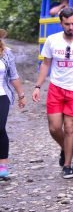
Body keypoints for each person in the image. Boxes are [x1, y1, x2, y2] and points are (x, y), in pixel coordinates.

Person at [32, 7, 73, 179]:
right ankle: (67, 147)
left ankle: (68, 165)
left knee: (69, 128)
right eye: (67, 24)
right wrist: (38, 86)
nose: (71, 27)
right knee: (54, 128)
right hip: (56, 88)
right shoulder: (52, 40)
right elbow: (45, 64)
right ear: (61, 23)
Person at [0, 29, 26, 179]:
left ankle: (2, 165)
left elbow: (13, 76)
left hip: (2, 95)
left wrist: (21, 95)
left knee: (0, 127)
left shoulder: (6, 53)